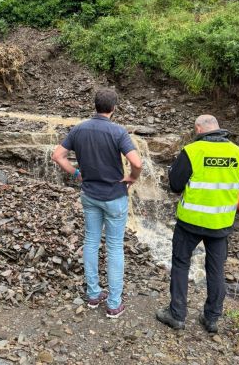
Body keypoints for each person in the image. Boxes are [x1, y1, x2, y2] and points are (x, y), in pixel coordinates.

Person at [52, 87, 142, 318]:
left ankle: (93, 294)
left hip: (90, 195)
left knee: (91, 241)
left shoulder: (79, 129)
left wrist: (76, 173)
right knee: (114, 247)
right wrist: (132, 178)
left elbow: (57, 155)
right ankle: (113, 304)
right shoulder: (118, 131)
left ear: (95, 105)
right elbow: (137, 163)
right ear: (114, 108)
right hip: (114, 197)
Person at [156, 115, 239, 333]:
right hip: (221, 222)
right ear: (218, 128)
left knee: (181, 264)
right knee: (216, 270)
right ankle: (212, 318)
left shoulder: (192, 151)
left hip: (190, 222)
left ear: (198, 129)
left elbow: (175, 185)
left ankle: (177, 315)